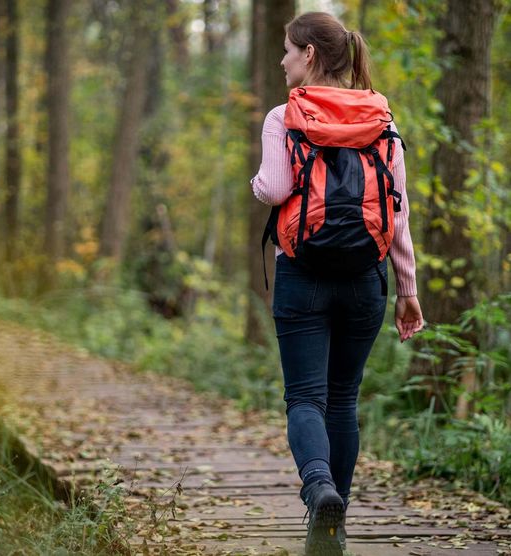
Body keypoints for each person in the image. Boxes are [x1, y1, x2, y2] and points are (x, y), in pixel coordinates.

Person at [250, 11, 424, 556]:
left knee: (305, 396)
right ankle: (334, 524)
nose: (281, 60)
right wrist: (408, 288)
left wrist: (258, 184)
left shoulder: (285, 115)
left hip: (303, 273)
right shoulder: (382, 117)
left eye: (286, 51)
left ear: (308, 55)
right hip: (365, 280)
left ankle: (318, 486)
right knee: (343, 400)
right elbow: (397, 212)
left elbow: (275, 187)